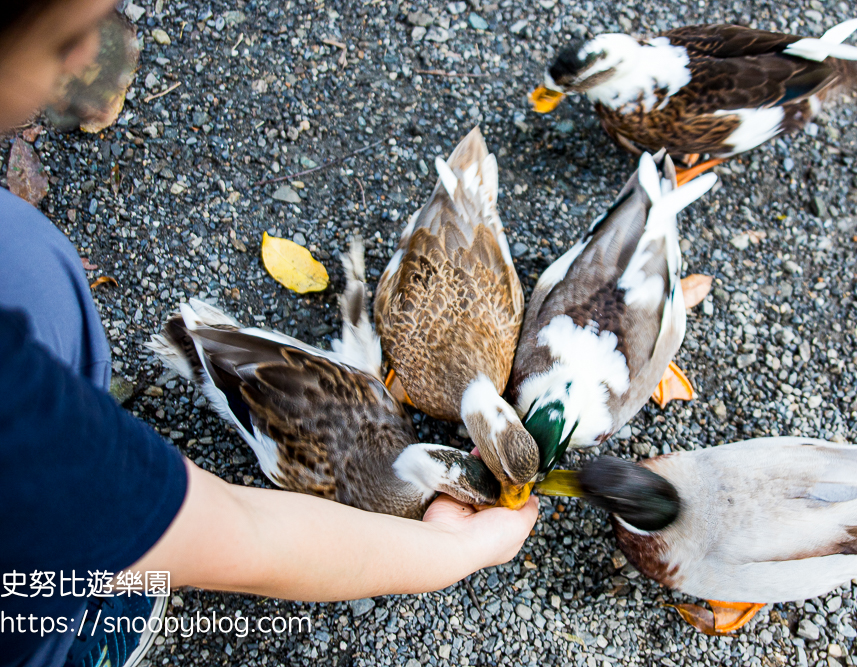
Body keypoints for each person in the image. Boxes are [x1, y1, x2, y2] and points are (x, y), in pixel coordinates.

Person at [0, 2, 539, 666]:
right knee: (88, 528)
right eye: (78, 41)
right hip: (38, 553)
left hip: (332, 400)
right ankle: (57, 628)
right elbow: (238, 532)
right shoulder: (17, 418)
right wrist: (456, 551)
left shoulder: (390, 403)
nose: (94, 63)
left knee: (33, 263)